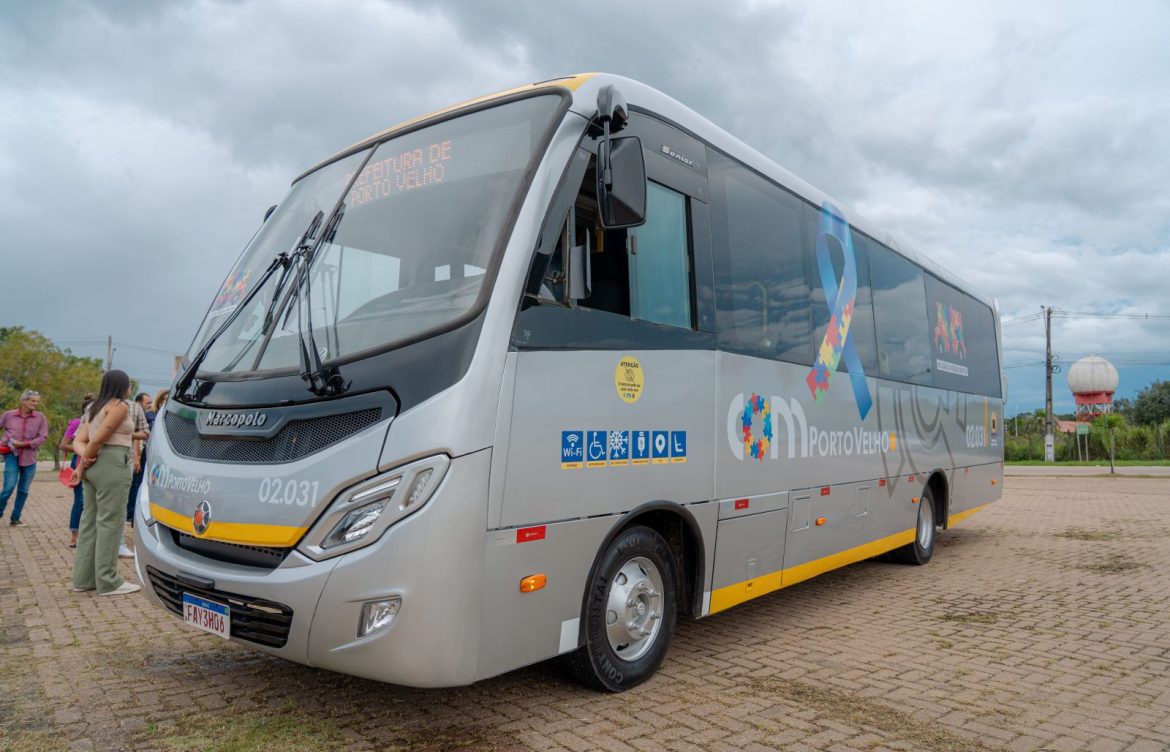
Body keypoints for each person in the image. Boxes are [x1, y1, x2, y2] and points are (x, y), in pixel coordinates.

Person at [71, 370, 141, 596]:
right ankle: (108, 581)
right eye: (129, 385)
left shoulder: (93, 407)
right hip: (112, 463)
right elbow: (98, 439)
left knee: (90, 522)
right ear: (122, 386)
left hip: (93, 466)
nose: (130, 389)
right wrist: (84, 463)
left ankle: (84, 579)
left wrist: (83, 464)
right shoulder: (120, 406)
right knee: (111, 522)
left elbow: (78, 441)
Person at [0, 389, 49, 526]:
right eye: (32, 401)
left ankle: (15, 518)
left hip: (30, 458)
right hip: (12, 455)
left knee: (23, 490)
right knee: (8, 487)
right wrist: (2, 442)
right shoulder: (8, 415)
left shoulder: (40, 417)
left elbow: (43, 437)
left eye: (36, 401)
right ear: (23, 401)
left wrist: (25, 444)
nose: (35, 404)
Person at [60, 396, 94, 547]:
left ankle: (90, 535)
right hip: (79, 461)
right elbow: (63, 445)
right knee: (80, 500)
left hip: (96, 462)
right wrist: (82, 447)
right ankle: (74, 535)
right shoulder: (76, 423)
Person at [123, 392, 152, 557]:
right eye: (147, 402)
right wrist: (136, 458)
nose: (150, 404)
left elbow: (143, 433)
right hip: (128, 458)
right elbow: (139, 437)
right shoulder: (132, 408)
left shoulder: (135, 409)